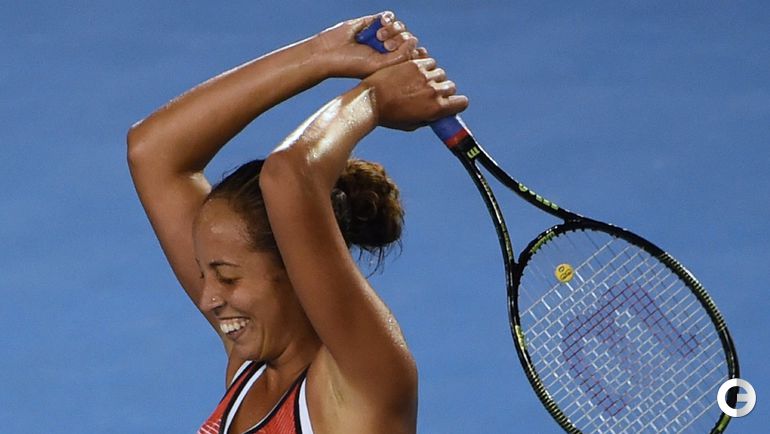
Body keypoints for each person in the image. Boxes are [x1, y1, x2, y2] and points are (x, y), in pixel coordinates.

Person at [127, 12, 467, 434]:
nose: (207, 298)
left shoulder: (366, 379)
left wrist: (374, 99)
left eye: (227, 278)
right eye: (205, 274)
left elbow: (289, 176)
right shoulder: (251, 370)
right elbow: (152, 152)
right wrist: (322, 53)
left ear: (293, 267)